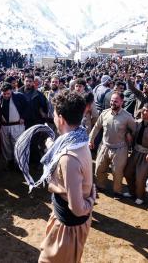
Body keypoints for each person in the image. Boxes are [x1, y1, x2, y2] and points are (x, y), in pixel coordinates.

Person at [38, 91, 96, 263]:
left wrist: (91, 201)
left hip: (67, 229)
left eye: (54, 114)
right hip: (63, 219)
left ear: (61, 118)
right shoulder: (80, 137)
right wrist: (52, 146)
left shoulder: (69, 158)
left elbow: (78, 209)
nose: (53, 117)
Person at [89, 92, 136, 198]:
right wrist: (91, 139)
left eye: (115, 101)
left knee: (117, 172)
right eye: (111, 100)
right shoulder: (104, 113)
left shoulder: (127, 117)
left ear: (121, 102)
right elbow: (97, 127)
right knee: (99, 169)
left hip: (120, 149)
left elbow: (135, 131)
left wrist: (129, 133)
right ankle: (100, 186)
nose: (112, 103)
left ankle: (117, 192)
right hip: (104, 146)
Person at [124, 103, 148, 205]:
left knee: (141, 178)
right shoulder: (138, 122)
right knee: (127, 172)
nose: (143, 112)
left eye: (146, 110)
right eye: (143, 109)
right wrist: (128, 134)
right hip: (135, 152)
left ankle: (140, 196)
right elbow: (129, 130)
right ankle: (132, 192)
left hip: (146, 155)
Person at [0, 82, 28, 170]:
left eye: (8, 93)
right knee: (6, 145)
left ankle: (19, 164)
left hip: (17, 124)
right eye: (4, 94)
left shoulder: (19, 96)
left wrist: (23, 117)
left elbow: (27, 107)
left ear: (11, 91)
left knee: (18, 144)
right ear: (1, 92)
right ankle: (9, 162)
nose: (6, 95)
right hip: (4, 126)